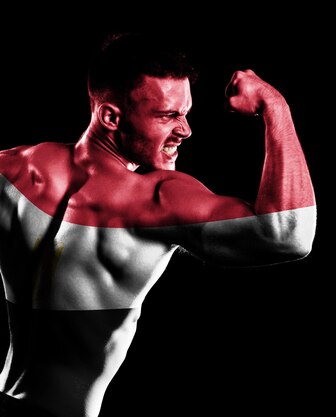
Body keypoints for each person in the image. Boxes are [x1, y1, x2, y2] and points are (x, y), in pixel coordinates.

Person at [0, 32, 316, 417]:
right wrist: (275, 106)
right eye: (168, 116)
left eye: (185, 114)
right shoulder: (154, 199)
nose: (185, 130)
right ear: (111, 117)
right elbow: (289, 234)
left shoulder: (15, 168)